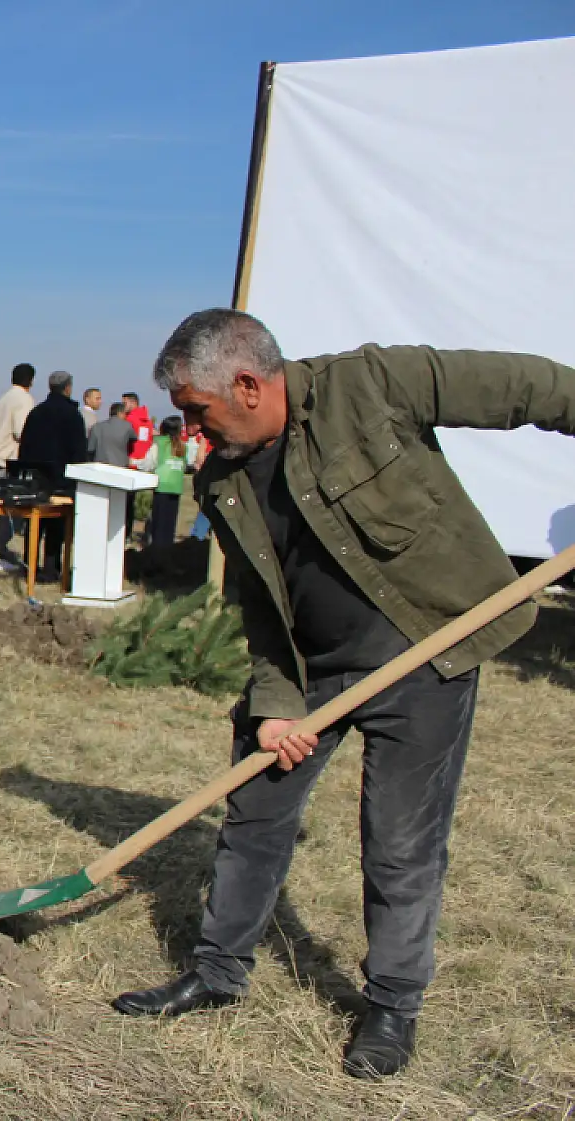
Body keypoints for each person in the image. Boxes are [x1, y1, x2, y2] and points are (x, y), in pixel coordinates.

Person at [112, 308, 575, 1080]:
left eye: (198, 410)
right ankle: (218, 969)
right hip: (309, 673)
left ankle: (392, 1005)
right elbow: (259, 607)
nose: (192, 430)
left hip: (424, 653)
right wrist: (275, 700)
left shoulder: (373, 384)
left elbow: (522, 387)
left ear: (250, 384)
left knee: (400, 843)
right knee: (254, 815)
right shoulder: (221, 479)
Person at [12, 371, 90, 579]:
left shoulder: (36, 412)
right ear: (68, 388)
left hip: (37, 478)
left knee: (34, 524)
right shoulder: (73, 415)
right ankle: (52, 567)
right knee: (57, 526)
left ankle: (29, 565)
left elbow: (25, 446)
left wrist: (24, 472)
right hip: (62, 479)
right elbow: (79, 451)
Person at [133, 415, 187, 546]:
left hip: (162, 486)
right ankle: (167, 551)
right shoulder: (183, 446)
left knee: (158, 525)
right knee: (170, 524)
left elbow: (149, 463)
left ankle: (156, 552)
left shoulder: (159, 443)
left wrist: (133, 462)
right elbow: (185, 465)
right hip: (176, 487)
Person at [0, 363, 36, 477]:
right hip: (7, 460)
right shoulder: (24, 398)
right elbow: (21, 431)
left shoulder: (2, 400)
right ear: (31, 381)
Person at [88, 401, 135, 466]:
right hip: (120, 466)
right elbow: (134, 440)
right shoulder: (127, 426)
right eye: (125, 414)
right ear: (120, 413)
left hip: (100, 467)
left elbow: (90, 450)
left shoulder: (96, 427)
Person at [123, 391, 154, 463]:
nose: (122, 406)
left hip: (131, 458)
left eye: (124, 403)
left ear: (133, 403)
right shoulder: (147, 420)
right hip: (145, 459)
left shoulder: (129, 419)